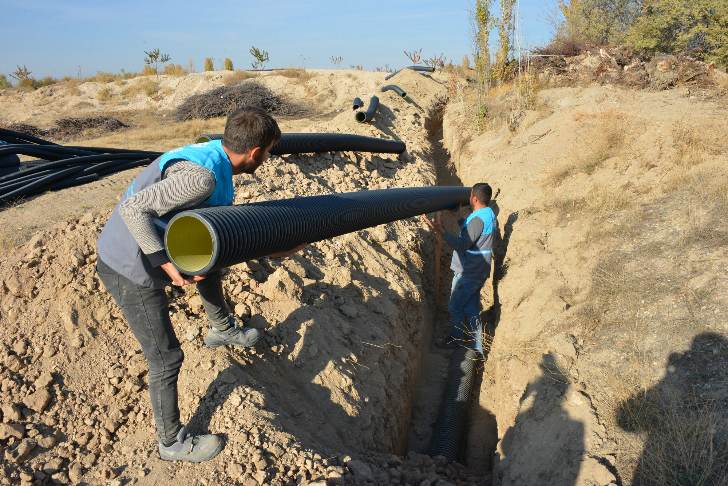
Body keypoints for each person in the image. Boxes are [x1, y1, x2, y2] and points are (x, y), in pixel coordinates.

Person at [95, 107, 303, 462]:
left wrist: (280, 245)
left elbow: (223, 229)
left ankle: (221, 328)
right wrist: (163, 262)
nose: (268, 158)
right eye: (268, 152)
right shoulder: (202, 177)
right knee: (166, 356)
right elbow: (133, 210)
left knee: (212, 266)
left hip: (158, 243)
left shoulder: (216, 159)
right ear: (255, 153)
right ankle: (171, 442)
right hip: (128, 264)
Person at [423, 183, 496, 354]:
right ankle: (476, 345)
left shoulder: (478, 219)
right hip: (478, 269)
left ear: (474, 198)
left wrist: (441, 231)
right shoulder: (488, 213)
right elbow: (474, 234)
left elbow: (463, 244)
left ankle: (456, 340)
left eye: (470, 195)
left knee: (455, 306)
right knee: (471, 307)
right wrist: (459, 217)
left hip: (469, 272)